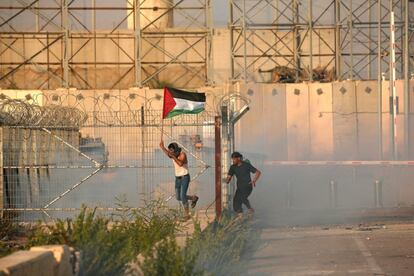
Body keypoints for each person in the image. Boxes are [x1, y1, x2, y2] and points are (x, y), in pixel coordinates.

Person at [160, 140, 199, 220]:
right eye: (170, 150)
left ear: (176, 150)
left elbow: (180, 164)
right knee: (178, 197)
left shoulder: (182, 155)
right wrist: (162, 147)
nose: (170, 152)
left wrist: (173, 156)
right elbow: (167, 153)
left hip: (185, 177)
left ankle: (187, 214)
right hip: (177, 178)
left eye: (172, 150)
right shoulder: (172, 154)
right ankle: (193, 198)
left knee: (183, 196)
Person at [225, 152, 261, 218]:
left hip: (248, 186)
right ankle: (240, 216)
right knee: (236, 202)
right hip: (240, 188)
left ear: (239, 158)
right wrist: (227, 180)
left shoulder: (246, 165)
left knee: (242, 197)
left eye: (234, 159)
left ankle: (250, 209)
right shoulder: (232, 167)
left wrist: (254, 180)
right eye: (232, 159)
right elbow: (229, 177)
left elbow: (258, 172)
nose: (233, 160)